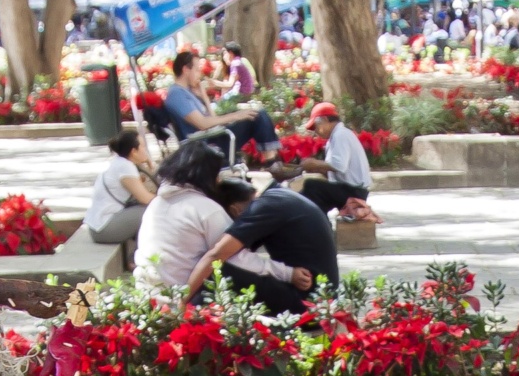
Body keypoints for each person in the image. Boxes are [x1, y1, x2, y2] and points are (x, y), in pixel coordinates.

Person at [184, 175, 335, 314]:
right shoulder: (279, 195)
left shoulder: (262, 208)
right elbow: (244, 257)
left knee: (219, 269)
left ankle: (186, 320)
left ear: (234, 210)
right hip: (320, 297)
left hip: (307, 302)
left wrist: (183, 299)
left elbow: (217, 254)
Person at [137, 135, 251, 291]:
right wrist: (286, 272)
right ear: (206, 175)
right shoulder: (206, 209)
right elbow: (239, 259)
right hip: (184, 299)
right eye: (216, 174)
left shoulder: (155, 204)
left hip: (146, 295)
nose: (218, 181)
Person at [162, 48, 278, 155]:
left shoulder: (187, 91)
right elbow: (203, 124)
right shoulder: (177, 94)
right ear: (186, 70)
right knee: (257, 116)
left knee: (256, 113)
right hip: (204, 145)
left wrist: (204, 98)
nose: (200, 74)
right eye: (197, 70)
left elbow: (212, 119)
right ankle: (272, 163)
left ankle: (272, 162)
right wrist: (236, 116)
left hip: (212, 136)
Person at [296, 101, 376, 221]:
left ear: (324, 120)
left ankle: (319, 227)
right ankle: (318, 226)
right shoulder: (337, 136)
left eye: (316, 127)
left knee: (312, 186)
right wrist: (315, 167)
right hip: (350, 189)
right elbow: (337, 170)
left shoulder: (340, 135)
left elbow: (339, 165)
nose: (316, 131)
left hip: (354, 191)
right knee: (310, 196)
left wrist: (314, 163)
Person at [85, 127, 156, 244]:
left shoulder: (120, 162)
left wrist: (148, 165)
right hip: (104, 228)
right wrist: (169, 200)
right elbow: (145, 199)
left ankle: (141, 255)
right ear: (133, 151)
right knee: (152, 211)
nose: (146, 150)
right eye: (143, 147)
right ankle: (138, 258)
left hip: (99, 226)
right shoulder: (125, 167)